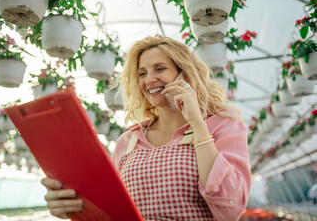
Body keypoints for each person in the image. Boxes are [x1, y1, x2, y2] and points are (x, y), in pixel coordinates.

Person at [41, 35, 251, 221]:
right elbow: (112, 214)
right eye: (142, 73)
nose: (149, 80)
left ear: (184, 74)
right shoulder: (128, 141)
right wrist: (74, 208)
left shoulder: (222, 125)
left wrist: (197, 122)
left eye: (160, 69)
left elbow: (229, 211)